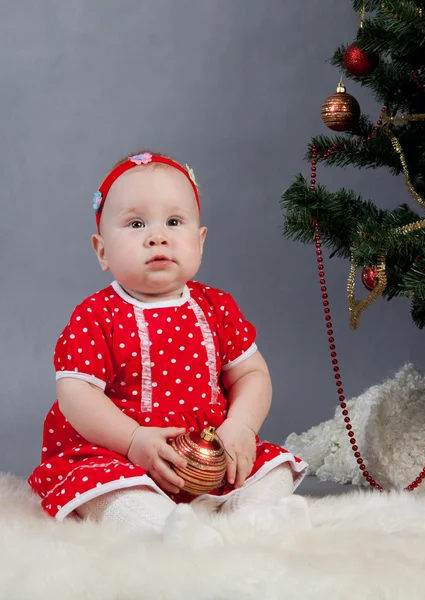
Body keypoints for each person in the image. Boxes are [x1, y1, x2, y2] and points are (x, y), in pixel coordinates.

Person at [28, 150, 308, 535]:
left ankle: (252, 517)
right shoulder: (97, 315)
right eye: (136, 223)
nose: (157, 236)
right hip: (120, 455)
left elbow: (252, 374)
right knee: (107, 490)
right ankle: (163, 529)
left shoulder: (217, 307)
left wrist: (240, 426)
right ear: (102, 250)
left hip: (210, 451)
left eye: (174, 221)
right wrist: (131, 440)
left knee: (272, 466)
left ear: (200, 240)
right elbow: (75, 394)